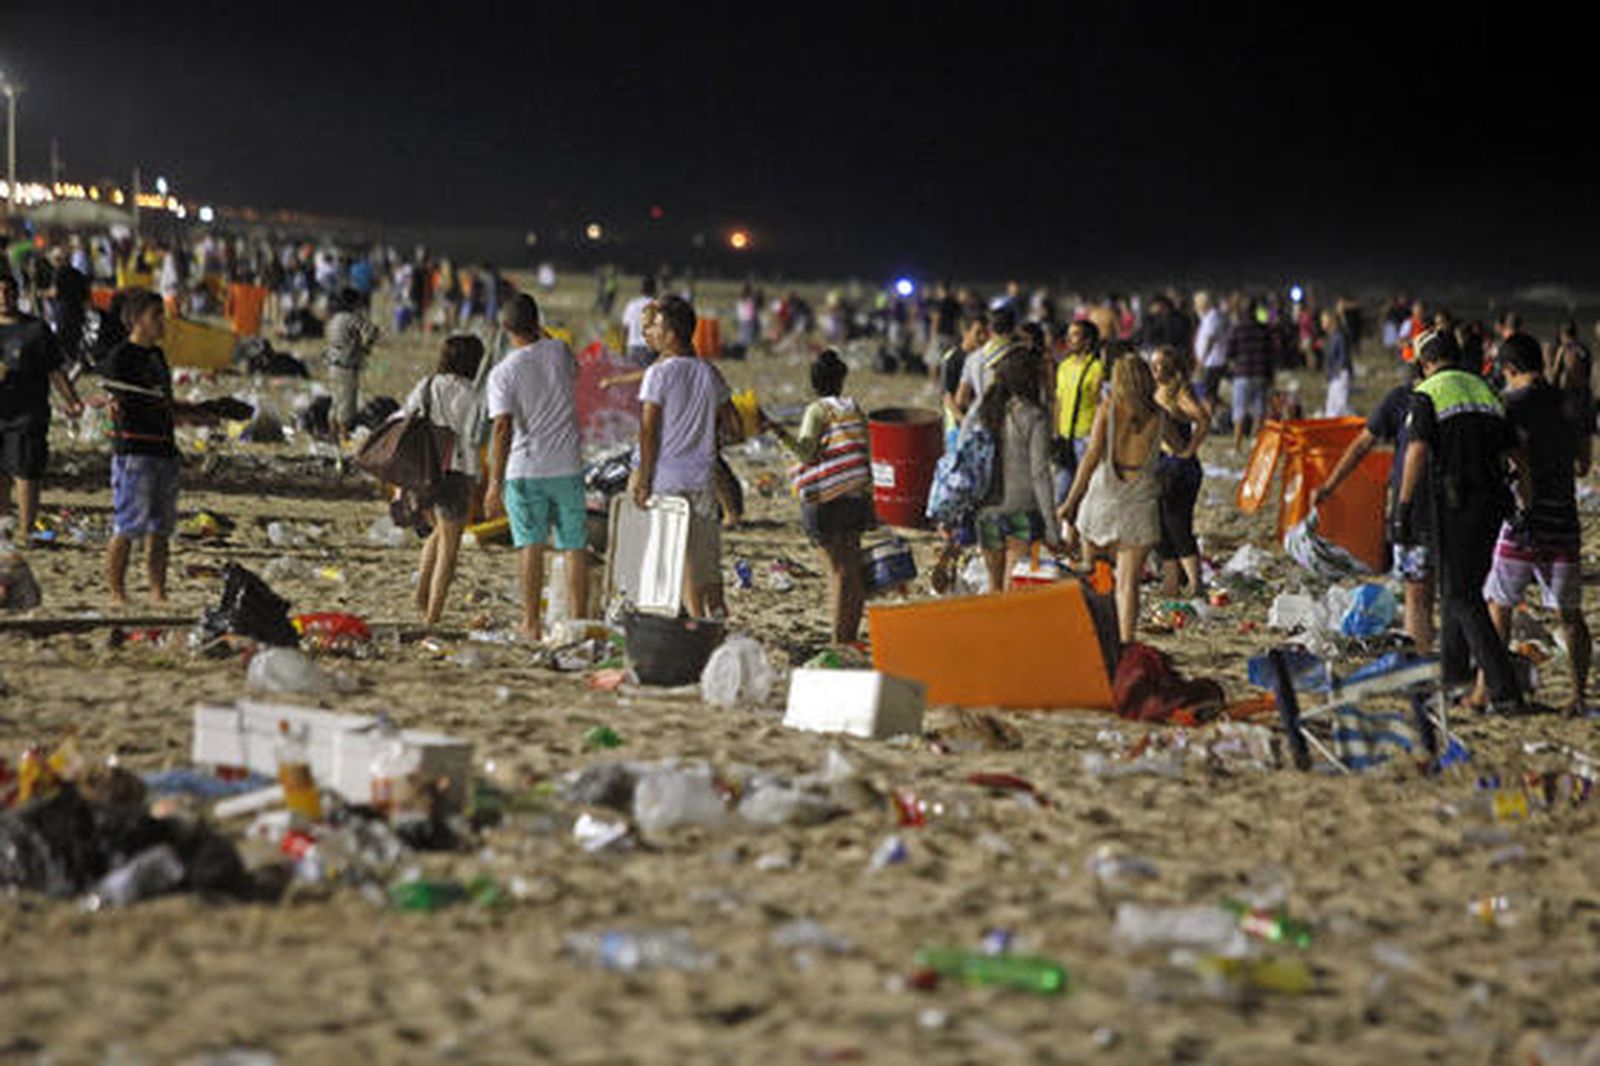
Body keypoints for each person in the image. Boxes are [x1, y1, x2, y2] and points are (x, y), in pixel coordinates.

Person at [1396, 329, 1528, 713]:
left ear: (1425, 363)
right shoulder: (1484, 389)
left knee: (1462, 597)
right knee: (1460, 586)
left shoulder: (1428, 393)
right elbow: (1516, 451)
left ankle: (1505, 690)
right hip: (1495, 502)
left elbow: (1417, 451)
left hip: (1456, 504)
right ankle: (1454, 674)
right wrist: (1526, 503)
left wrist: (1403, 506)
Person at [1479, 334, 1590, 713]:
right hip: (1563, 519)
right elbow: (1584, 463)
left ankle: (1488, 688)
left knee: (1499, 607)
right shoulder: (1567, 402)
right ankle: (1578, 696)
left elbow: (1503, 461)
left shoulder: (1508, 406)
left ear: (1509, 370)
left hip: (1521, 521)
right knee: (1569, 615)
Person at [483, 293, 587, 643]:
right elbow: (571, 363)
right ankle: (579, 622)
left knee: (531, 546)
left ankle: (530, 623)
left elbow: (502, 428)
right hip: (568, 465)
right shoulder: (559, 353)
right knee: (573, 546)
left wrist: (493, 483)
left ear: (504, 329)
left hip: (526, 468)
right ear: (538, 322)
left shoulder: (503, 373)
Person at [101, 289, 215, 605]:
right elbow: (115, 403)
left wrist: (198, 412)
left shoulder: (157, 356)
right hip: (135, 452)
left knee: (161, 528)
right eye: (156, 315)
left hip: (164, 450)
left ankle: (158, 591)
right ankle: (117, 592)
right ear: (137, 320)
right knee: (128, 524)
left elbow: (163, 403)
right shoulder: (119, 358)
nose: (162, 322)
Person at [630, 295, 739, 617]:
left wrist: (643, 480)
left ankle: (692, 622)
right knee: (704, 558)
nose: (653, 333)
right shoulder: (709, 373)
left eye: (658, 328)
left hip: (667, 480)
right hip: (702, 478)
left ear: (673, 333)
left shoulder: (658, 374)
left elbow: (648, 432)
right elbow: (733, 424)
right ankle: (714, 617)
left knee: (674, 560)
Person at [1311, 372, 1435, 651]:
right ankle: (1457, 663)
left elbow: (1410, 450)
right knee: (1456, 595)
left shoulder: (1410, 399)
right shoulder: (1469, 392)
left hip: (1418, 511)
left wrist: (1401, 506)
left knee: (1417, 593)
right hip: (1465, 507)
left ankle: (1421, 659)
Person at [1059, 355, 1178, 643]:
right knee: (1128, 584)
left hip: (1103, 497)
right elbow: (1179, 448)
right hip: (1140, 501)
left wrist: (1071, 501)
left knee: (1094, 571)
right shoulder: (1160, 415)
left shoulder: (1109, 408)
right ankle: (1125, 643)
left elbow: (1091, 456)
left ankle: (1096, 634)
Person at [765, 350, 874, 643]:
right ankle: (849, 636)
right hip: (854, 495)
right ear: (841, 379)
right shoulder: (854, 408)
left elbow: (806, 452)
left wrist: (779, 432)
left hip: (825, 499)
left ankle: (838, 641)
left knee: (836, 572)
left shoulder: (817, 411)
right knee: (852, 569)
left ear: (814, 383)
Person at [403, 335, 487, 626]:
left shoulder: (426, 385)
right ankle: (432, 615)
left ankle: (421, 591)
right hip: (455, 473)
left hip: (425, 471)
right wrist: (475, 481)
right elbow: (472, 442)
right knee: (450, 550)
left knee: (437, 533)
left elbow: (406, 416)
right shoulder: (473, 395)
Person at [0, 272, 83, 545]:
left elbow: (55, 369)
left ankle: (27, 530)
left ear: (17, 294)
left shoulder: (35, 329)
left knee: (26, 471)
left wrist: (71, 399)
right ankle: (3, 526)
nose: (3, 298)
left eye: (9, 292)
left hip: (28, 412)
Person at [973, 346, 1060, 592]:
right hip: (1023, 510)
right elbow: (1040, 474)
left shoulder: (987, 410)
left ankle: (989, 630)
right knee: (1013, 589)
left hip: (987, 509)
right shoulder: (1034, 417)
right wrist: (1052, 529)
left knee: (994, 585)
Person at [1151, 344, 1209, 596]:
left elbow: (1203, 418)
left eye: (1159, 365)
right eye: (1152, 365)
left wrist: (1190, 448)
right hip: (1163, 464)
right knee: (1162, 528)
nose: (1154, 370)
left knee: (1177, 525)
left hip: (1180, 468)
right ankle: (1171, 584)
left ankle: (1196, 584)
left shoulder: (1178, 392)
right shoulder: (1157, 390)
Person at [1052, 319, 1103, 501]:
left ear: (1087, 341)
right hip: (1065, 437)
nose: (1069, 339)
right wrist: (1055, 431)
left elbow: (1100, 403)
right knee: (1062, 491)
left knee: (1085, 491)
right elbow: (1059, 401)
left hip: (1086, 436)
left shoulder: (1097, 368)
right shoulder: (1064, 366)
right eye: (1069, 335)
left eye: (1075, 335)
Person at [323, 287, 380, 441]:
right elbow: (371, 332)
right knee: (347, 403)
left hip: (332, 365)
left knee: (335, 401)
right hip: (346, 366)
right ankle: (344, 437)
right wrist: (366, 348)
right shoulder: (352, 318)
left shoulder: (334, 319)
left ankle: (332, 435)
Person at [1225, 297, 1276, 451]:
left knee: (1239, 411)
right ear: (1256, 311)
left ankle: (1237, 446)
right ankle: (1255, 443)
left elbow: (1229, 353)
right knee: (1259, 411)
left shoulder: (1237, 329)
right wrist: (1270, 375)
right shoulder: (1264, 329)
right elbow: (1270, 353)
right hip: (1261, 374)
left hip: (1243, 374)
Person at [1545, 321, 1593, 472]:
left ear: (1561, 334)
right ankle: (1583, 468)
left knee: (1567, 446)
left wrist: (1549, 362)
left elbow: (1554, 380)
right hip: (1585, 400)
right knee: (1585, 441)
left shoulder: (1564, 351)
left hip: (1569, 403)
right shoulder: (1584, 350)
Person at [938, 306, 987, 452]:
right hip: (957, 429)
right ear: (965, 332)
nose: (982, 337)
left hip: (978, 426)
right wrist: (965, 422)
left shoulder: (982, 357)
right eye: (978, 333)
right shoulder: (952, 359)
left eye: (985, 332)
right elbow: (948, 398)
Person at [953, 305, 1017, 416]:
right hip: (1010, 422)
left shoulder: (973, 358)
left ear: (990, 329)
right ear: (1014, 328)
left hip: (981, 419)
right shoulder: (1020, 356)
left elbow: (960, 399)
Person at [1321, 308, 1353, 417]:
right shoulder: (1330, 337)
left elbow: (1343, 356)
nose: (1322, 324)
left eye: (1324, 321)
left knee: (1341, 406)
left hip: (1339, 375)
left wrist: (1338, 371)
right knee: (1331, 407)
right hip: (1333, 376)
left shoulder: (1339, 337)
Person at [620, 276, 658, 367]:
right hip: (649, 349)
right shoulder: (656, 305)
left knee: (633, 379)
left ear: (641, 289)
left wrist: (622, 349)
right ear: (654, 289)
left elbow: (625, 329)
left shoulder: (631, 305)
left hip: (632, 348)